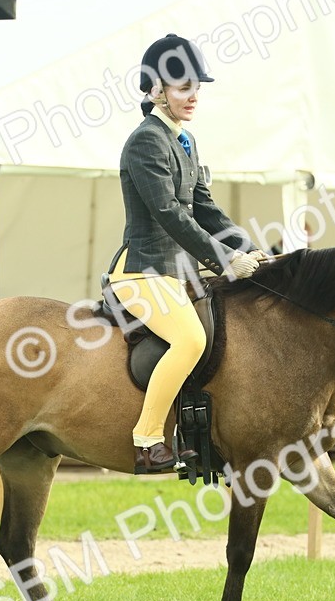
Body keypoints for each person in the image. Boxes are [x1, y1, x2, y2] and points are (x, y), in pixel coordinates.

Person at [106, 34, 263, 474]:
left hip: (178, 274)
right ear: (156, 90)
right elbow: (170, 214)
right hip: (143, 272)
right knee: (190, 339)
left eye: (197, 87)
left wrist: (250, 248)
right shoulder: (146, 142)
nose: (193, 96)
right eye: (183, 88)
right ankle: (148, 440)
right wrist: (224, 260)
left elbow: (206, 208)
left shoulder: (185, 141)